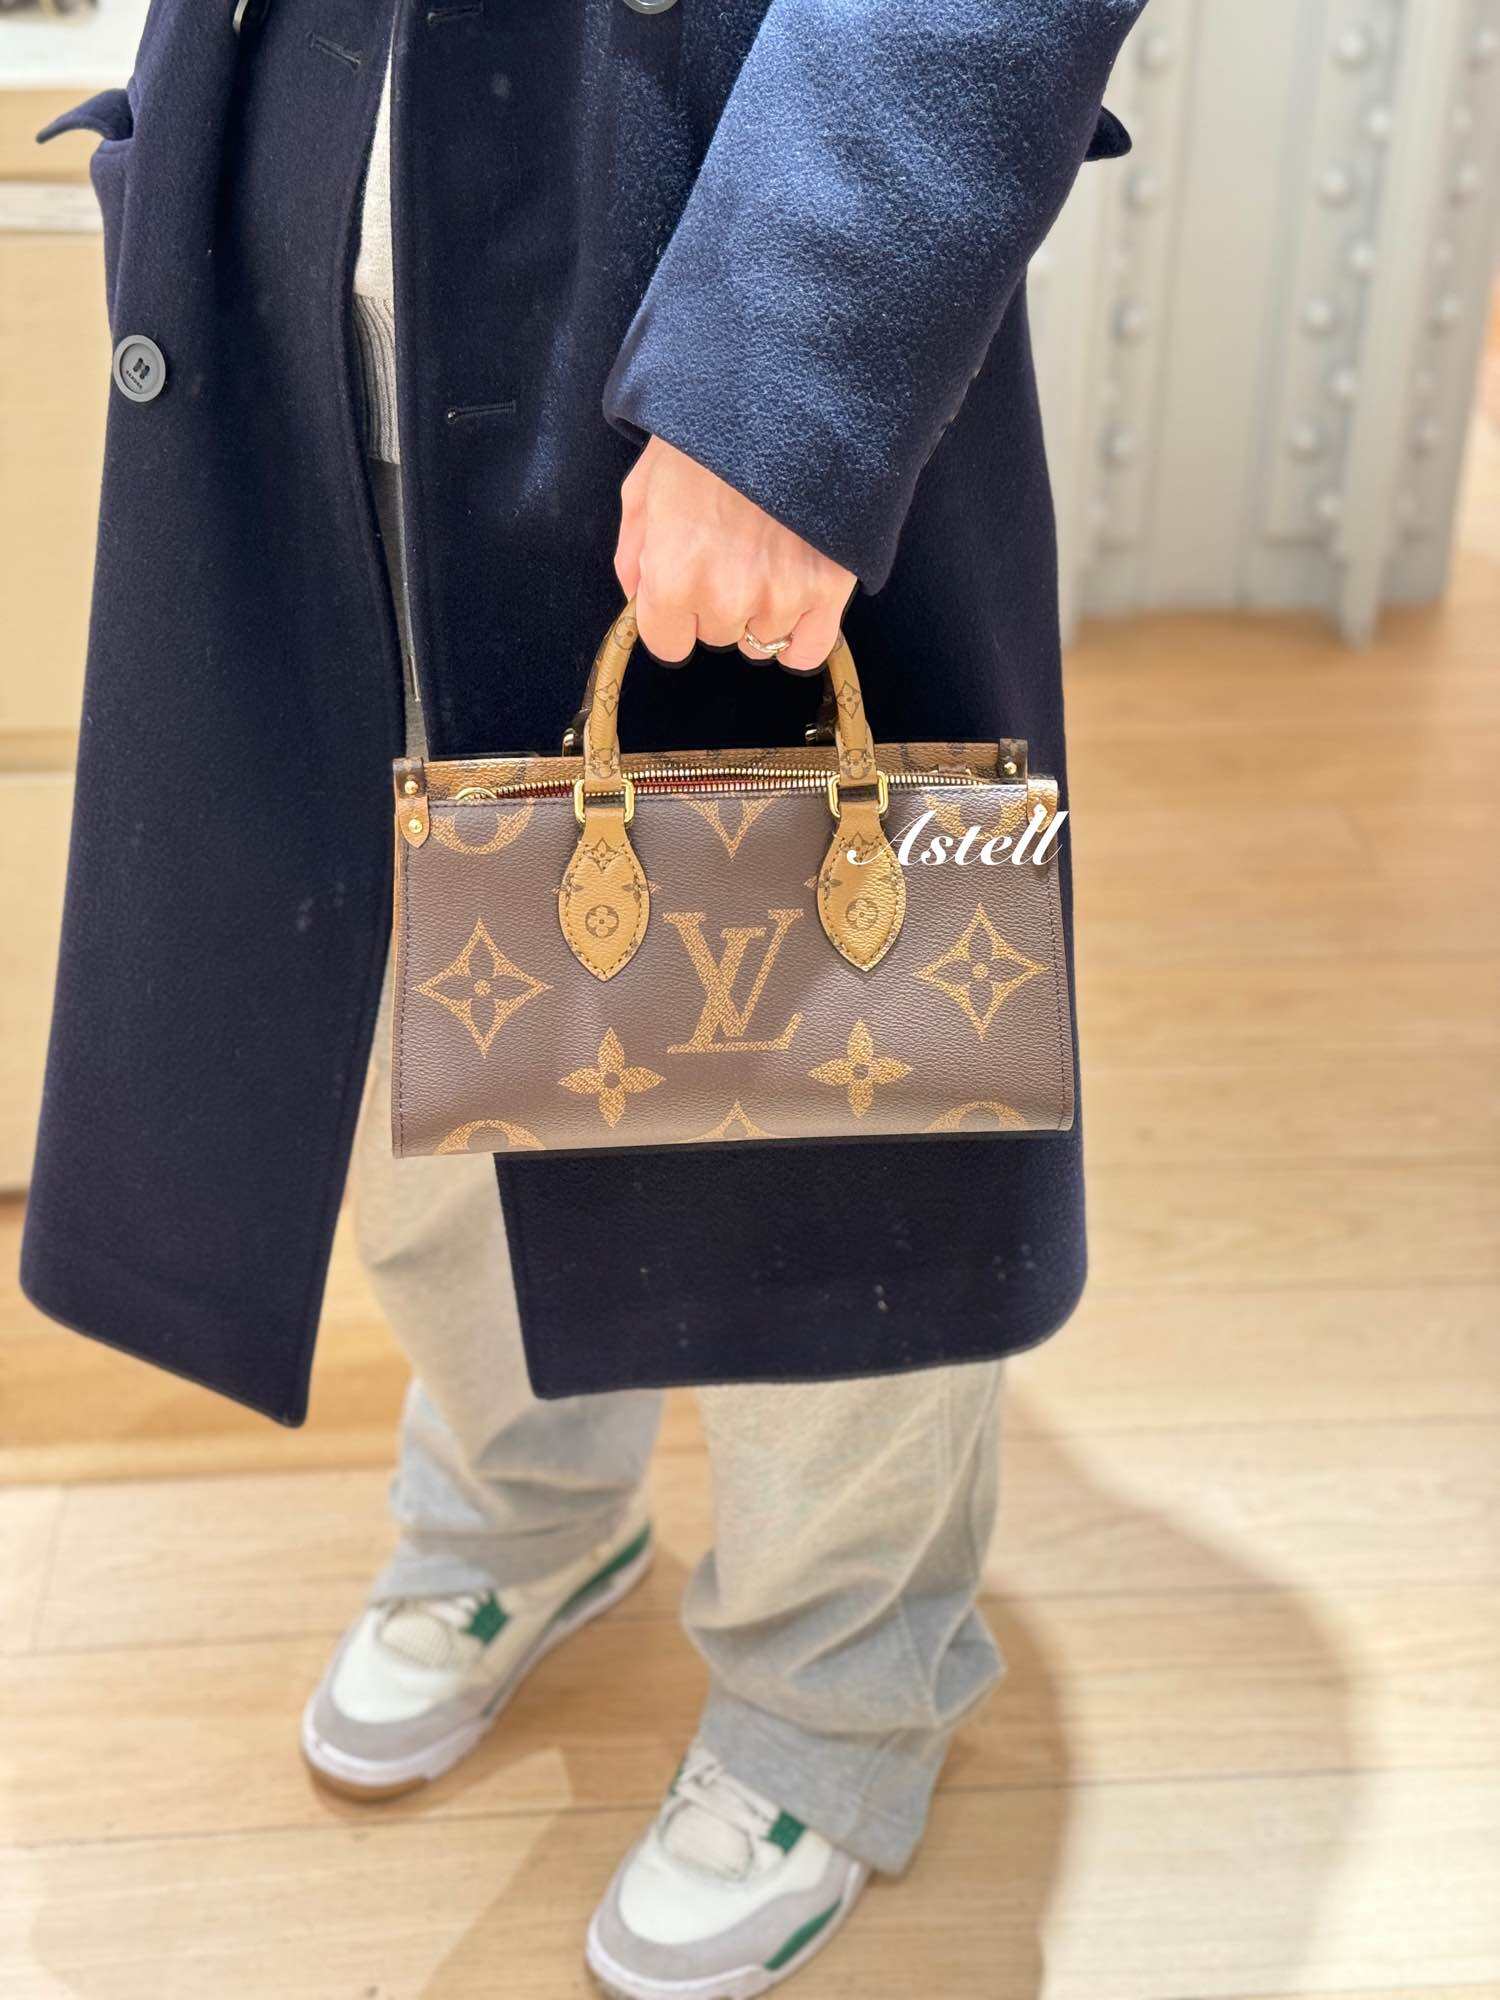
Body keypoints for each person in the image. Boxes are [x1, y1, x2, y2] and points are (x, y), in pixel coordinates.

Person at [26, 3, 1145, 1992]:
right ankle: (527, 1497)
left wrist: (793, 368)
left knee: (820, 1072)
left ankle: (833, 1692)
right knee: (406, 1011)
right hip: (318, 251)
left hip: (714, 281)